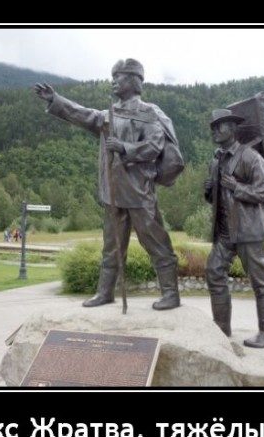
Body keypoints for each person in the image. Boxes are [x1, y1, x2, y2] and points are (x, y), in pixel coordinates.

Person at [34, 58, 180, 310]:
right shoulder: (108, 115)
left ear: (133, 81)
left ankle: (171, 294)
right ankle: (105, 292)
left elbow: (154, 146)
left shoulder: (149, 113)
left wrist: (125, 148)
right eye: (113, 77)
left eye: (118, 77)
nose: (113, 82)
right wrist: (56, 100)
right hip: (113, 192)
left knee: (155, 242)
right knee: (112, 247)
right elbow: (83, 115)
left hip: (139, 192)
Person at [203, 109, 264, 348]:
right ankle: (221, 328)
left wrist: (237, 187)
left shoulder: (250, 157)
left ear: (233, 128)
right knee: (214, 272)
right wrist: (209, 191)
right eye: (213, 127)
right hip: (225, 233)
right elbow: (218, 199)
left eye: (220, 126)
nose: (215, 130)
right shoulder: (216, 160)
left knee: (261, 282)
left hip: (248, 231)